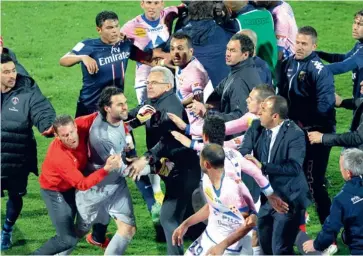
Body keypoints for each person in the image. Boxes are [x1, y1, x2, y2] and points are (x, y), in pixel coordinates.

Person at [126, 66, 202, 255]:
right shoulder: (153, 102)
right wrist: (116, 117)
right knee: (187, 220)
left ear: (168, 86)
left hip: (182, 171)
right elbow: (134, 117)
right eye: (148, 82)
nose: (148, 85)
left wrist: (146, 159)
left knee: (169, 218)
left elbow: (168, 140)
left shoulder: (170, 107)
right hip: (170, 166)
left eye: (154, 83)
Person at [75, 86, 151, 255]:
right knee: (78, 232)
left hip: (114, 185)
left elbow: (125, 134)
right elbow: (123, 170)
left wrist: (129, 153)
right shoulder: (102, 136)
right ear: (107, 108)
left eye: (125, 102)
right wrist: (151, 166)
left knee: (128, 229)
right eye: (119, 104)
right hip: (96, 188)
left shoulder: (115, 121)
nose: (125, 107)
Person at [33, 114, 122, 255]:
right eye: (65, 135)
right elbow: (82, 184)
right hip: (55, 191)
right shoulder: (59, 156)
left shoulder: (82, 124)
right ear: (57, 136)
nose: (70, 137)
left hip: (71, 186)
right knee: (67, 239)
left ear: (75, 126)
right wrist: (106, 169)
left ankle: (97, 238)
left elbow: (105, 114)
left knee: (86, 223)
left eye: (71, 132)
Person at [277, 26, 336, 229]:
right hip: (296, 131)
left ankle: (329, 230)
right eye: (298, 42)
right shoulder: (289, 64)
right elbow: (283, 94)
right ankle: (298, 224)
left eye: (304, 44)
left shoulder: (319, 70)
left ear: (314, 46)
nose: (299, 47)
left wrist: (310, 127)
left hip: (317, 133)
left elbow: (325, 105)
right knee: (294, 176)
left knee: (314, 182)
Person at [240, 95, 311, 254]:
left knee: (280, 248)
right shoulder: (257, 126)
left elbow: (294, 167)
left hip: (288, 198)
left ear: (275, 116)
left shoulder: (295, 134)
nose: (259, 112)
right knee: (265, 245)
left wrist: (263, 167)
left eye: (263, 109)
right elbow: (243, 151)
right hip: (268, 197)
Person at [59, 10, 163, 117]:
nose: (114, 31)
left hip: (115, 106)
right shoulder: (87, 45)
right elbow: (63, 60)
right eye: (109, 28)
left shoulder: (125, 45)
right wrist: (82, 57)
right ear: (99, 29)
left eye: (116, 26)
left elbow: (149, 60)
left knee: (124, 133)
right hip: (89, 107)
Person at [0, 54, 56, 250]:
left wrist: (48, 126)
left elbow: (42, 110)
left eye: (13, 70)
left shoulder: (26, 91)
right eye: (6, 72)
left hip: (18, 157)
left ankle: (7, 230)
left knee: (15, 197)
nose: (12, 75)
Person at [172, 143, 258, 256]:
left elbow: (248, 223)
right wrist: (186, 224)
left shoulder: (231, 190)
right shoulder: (207, 179)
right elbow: (212, 206)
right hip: (209, 237)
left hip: (229, 246)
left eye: (200, 159)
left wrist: (222, 245)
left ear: (206, 164)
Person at [168, 84, 275, 149]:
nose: (246, 100)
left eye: (251, 99)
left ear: (262, 104)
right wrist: (187, 128)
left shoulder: (264, 127)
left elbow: (231, 144)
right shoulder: (251, 116)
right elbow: (223, 128)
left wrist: (192, 144)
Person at [188, 33, 262, 126]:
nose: (227, 54)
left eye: (233, 51)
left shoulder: (239, 81)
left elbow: (238, 117)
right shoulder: (243, 69)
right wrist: (207, 105)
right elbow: (220, 92)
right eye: (227, 49)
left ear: (245, 54)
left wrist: (206, 113)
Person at [303, 148, 363, 255]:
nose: (341, 171)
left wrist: (316, 244)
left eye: (341, 168)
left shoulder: (342, 199)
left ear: (348, 173)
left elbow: (331, 228)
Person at [120, 0, 178, 104]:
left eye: (156, 3)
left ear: (162, 4)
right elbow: (115, 42)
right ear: (142, 4)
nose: (152, 7)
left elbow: (187, 7)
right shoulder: (132, 26)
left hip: (167, 76)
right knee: (146, 113)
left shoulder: (169, 14)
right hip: (145, 78)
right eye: (149, 2)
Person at [175, 1, 232, 88]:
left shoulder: (178, 37)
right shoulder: (225, 33)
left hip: (190, 91)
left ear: (190, 14)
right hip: (221, 88)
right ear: (211, 12)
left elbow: (165, 53)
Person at [316, 10, 363, 102]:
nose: (355, 27)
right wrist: (318, 54)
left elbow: (343, 66)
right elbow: (342, 59)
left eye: (360, 24)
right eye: (354, 23)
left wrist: (314, 70)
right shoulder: (359, 45)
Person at [170, 32, 209, 140]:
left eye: (180, 48)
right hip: (190, 125)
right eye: (172, 49)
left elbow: (200, 96)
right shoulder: (184, 63)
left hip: (199, 129)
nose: (175, 53)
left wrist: (177, 104)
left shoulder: (194, 73)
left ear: (190, 51)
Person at [223, 0, 278, 75]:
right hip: (272, 69)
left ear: (229, 10)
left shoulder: (237, 23)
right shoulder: (268, 14)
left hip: (254, 73)